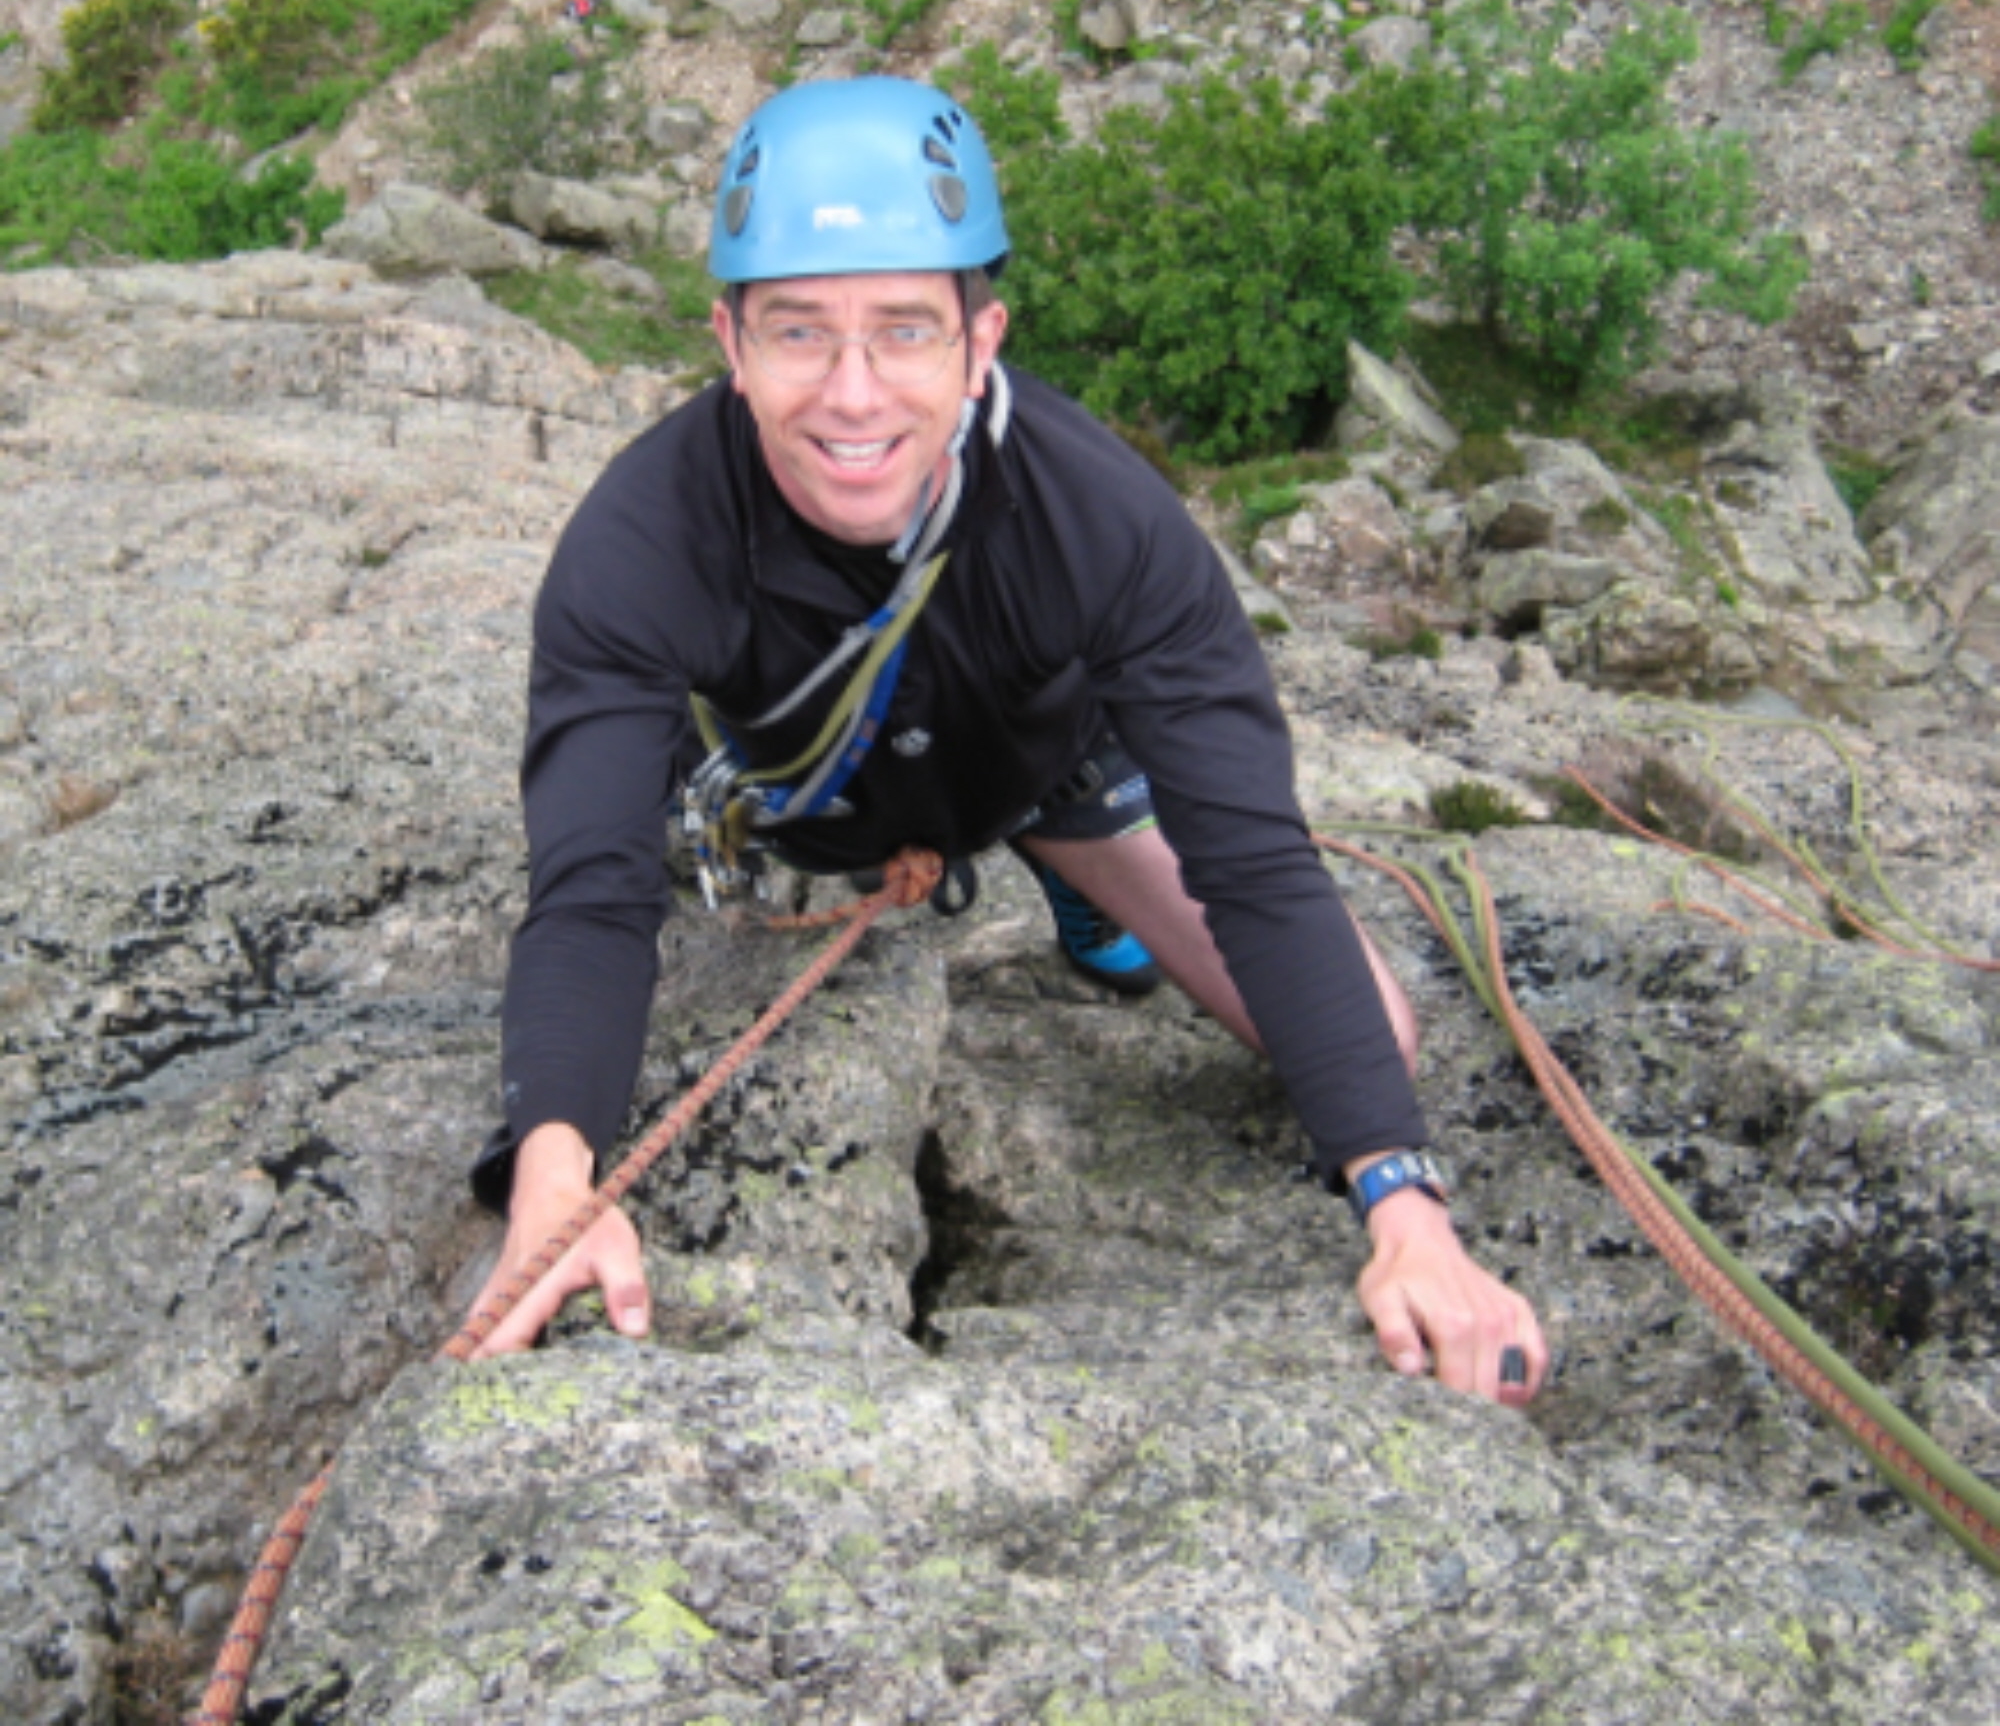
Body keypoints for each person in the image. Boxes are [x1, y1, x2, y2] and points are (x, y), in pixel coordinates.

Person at [467, 74, 1547, 1405]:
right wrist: (556, 1184)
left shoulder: (1104, 522)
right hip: (809, 786)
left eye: (904, 332)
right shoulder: (640, 543)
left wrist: (1407, 1212)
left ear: (984, 341)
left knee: (1376, 1033)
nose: (852, 395)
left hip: (1041, 769)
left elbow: (1258, 865)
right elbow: (587, 896)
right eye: (799, 333)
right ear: (729, 344)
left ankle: (1073, 867)